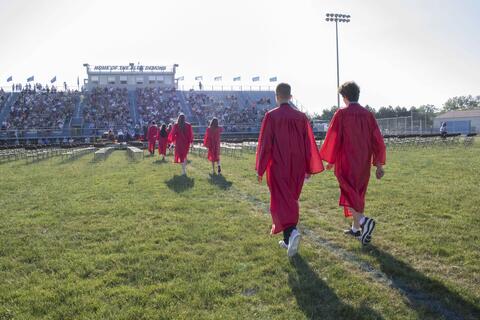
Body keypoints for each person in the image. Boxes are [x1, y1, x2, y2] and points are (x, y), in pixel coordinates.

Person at [256, 83, 324, 257]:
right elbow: (308, 143)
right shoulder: (301, 117)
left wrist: (261, 167)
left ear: (276, 96)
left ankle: (292, 232)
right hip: (297, 165)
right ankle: (287, 240)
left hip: (279, 165)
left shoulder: (271, 116)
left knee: (281, 200)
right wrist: (308, 167)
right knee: (291, 198)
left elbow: (265, 144)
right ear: (290, 96)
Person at [319, 81, 386, 245]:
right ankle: (356, 230)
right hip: (363, 161)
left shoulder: (341, 114)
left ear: (345, 97)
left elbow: (334, 139)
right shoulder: (368, 115)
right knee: (358, 194)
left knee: (349, 193)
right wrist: (378, 164)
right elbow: (377, 140)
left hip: (346, 161)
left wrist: (331, 160)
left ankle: (363, 222)